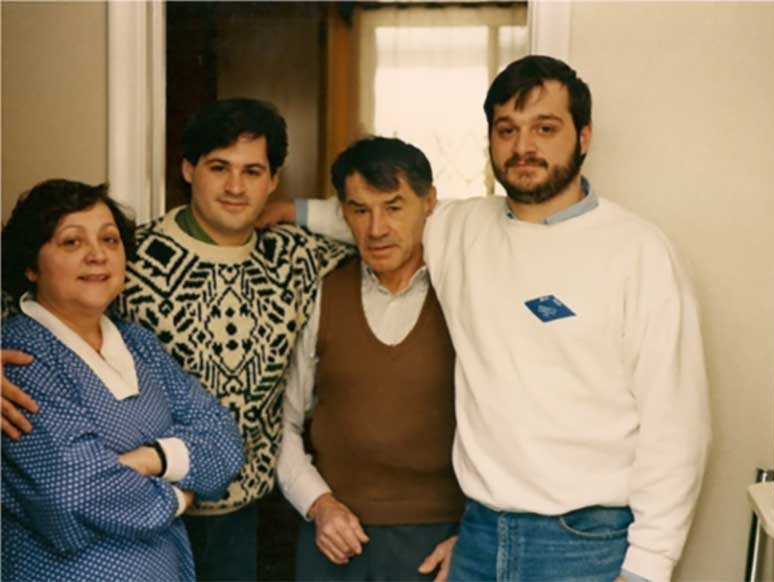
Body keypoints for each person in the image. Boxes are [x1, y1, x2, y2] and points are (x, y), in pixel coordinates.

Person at [259, 55, 712, 582]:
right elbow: (380, 219)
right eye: (507, 130)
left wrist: (648, 567)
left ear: (584, 136)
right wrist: (286, 211)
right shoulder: (461, 228)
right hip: (478, 538)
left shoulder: (639, 252)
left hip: (584, 544)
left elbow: (677, 426)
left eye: (545, 128)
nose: (523, 146)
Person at [1, 98, 353, 581]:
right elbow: (30, 300)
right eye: (219, 167)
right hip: (123, 519)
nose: (235, 187)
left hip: (244, 509)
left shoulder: (296, 256)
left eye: (253, 172)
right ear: (188, 169)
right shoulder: (129, 254)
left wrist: (299, 210)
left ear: (273, 181)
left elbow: (384, 226)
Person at [1, 179, 244, 581]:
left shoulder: (138, 344)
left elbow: (224, 439)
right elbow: (73, 494)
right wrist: (179, 495)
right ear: (30, 265)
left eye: (110, 240)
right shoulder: (18, 355)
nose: (97, 255)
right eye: (72, 242)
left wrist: (152, 459)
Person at [277, 137, 464, 581]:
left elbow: (504, 427)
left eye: (394, 207)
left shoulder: (462, 293)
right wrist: (319, 504)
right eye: (360, 210)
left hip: (439, 543)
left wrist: (473, 535)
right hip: (332, 536)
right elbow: (283, 424)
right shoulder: (323, 293)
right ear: (343, 213)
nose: (376, 228)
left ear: (430, 203)